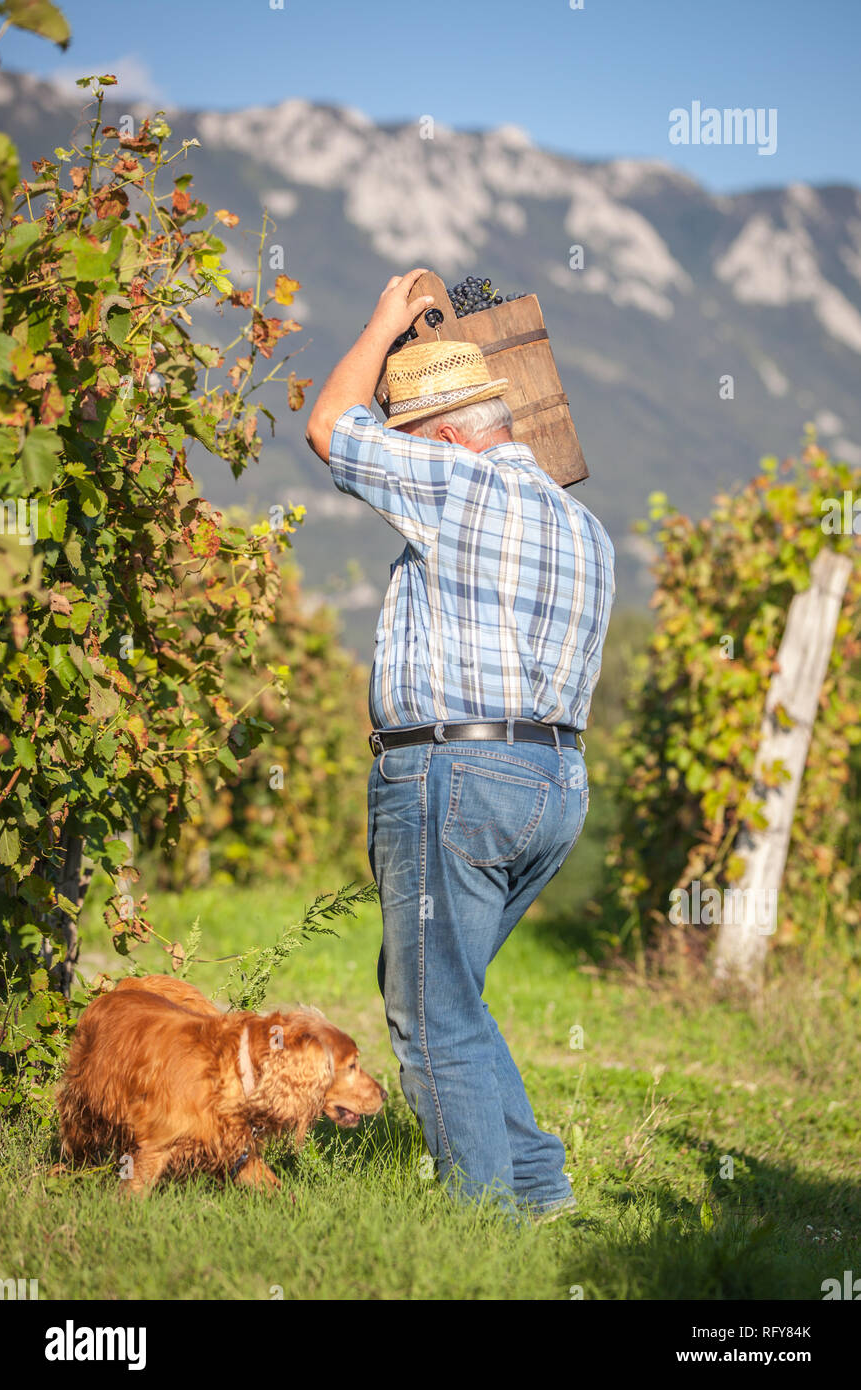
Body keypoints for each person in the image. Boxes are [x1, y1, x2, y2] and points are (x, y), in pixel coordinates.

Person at [305, 268, 615, 1221]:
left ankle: (481, 1230)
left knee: (431, 1013)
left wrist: (382, 319)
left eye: (410, 444)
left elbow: (329, 426)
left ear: (441, 435)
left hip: (456, 772)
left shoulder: (458, 484)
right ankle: (537, 1190)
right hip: (555, 784)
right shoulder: (585, 526)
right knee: (454, 998)